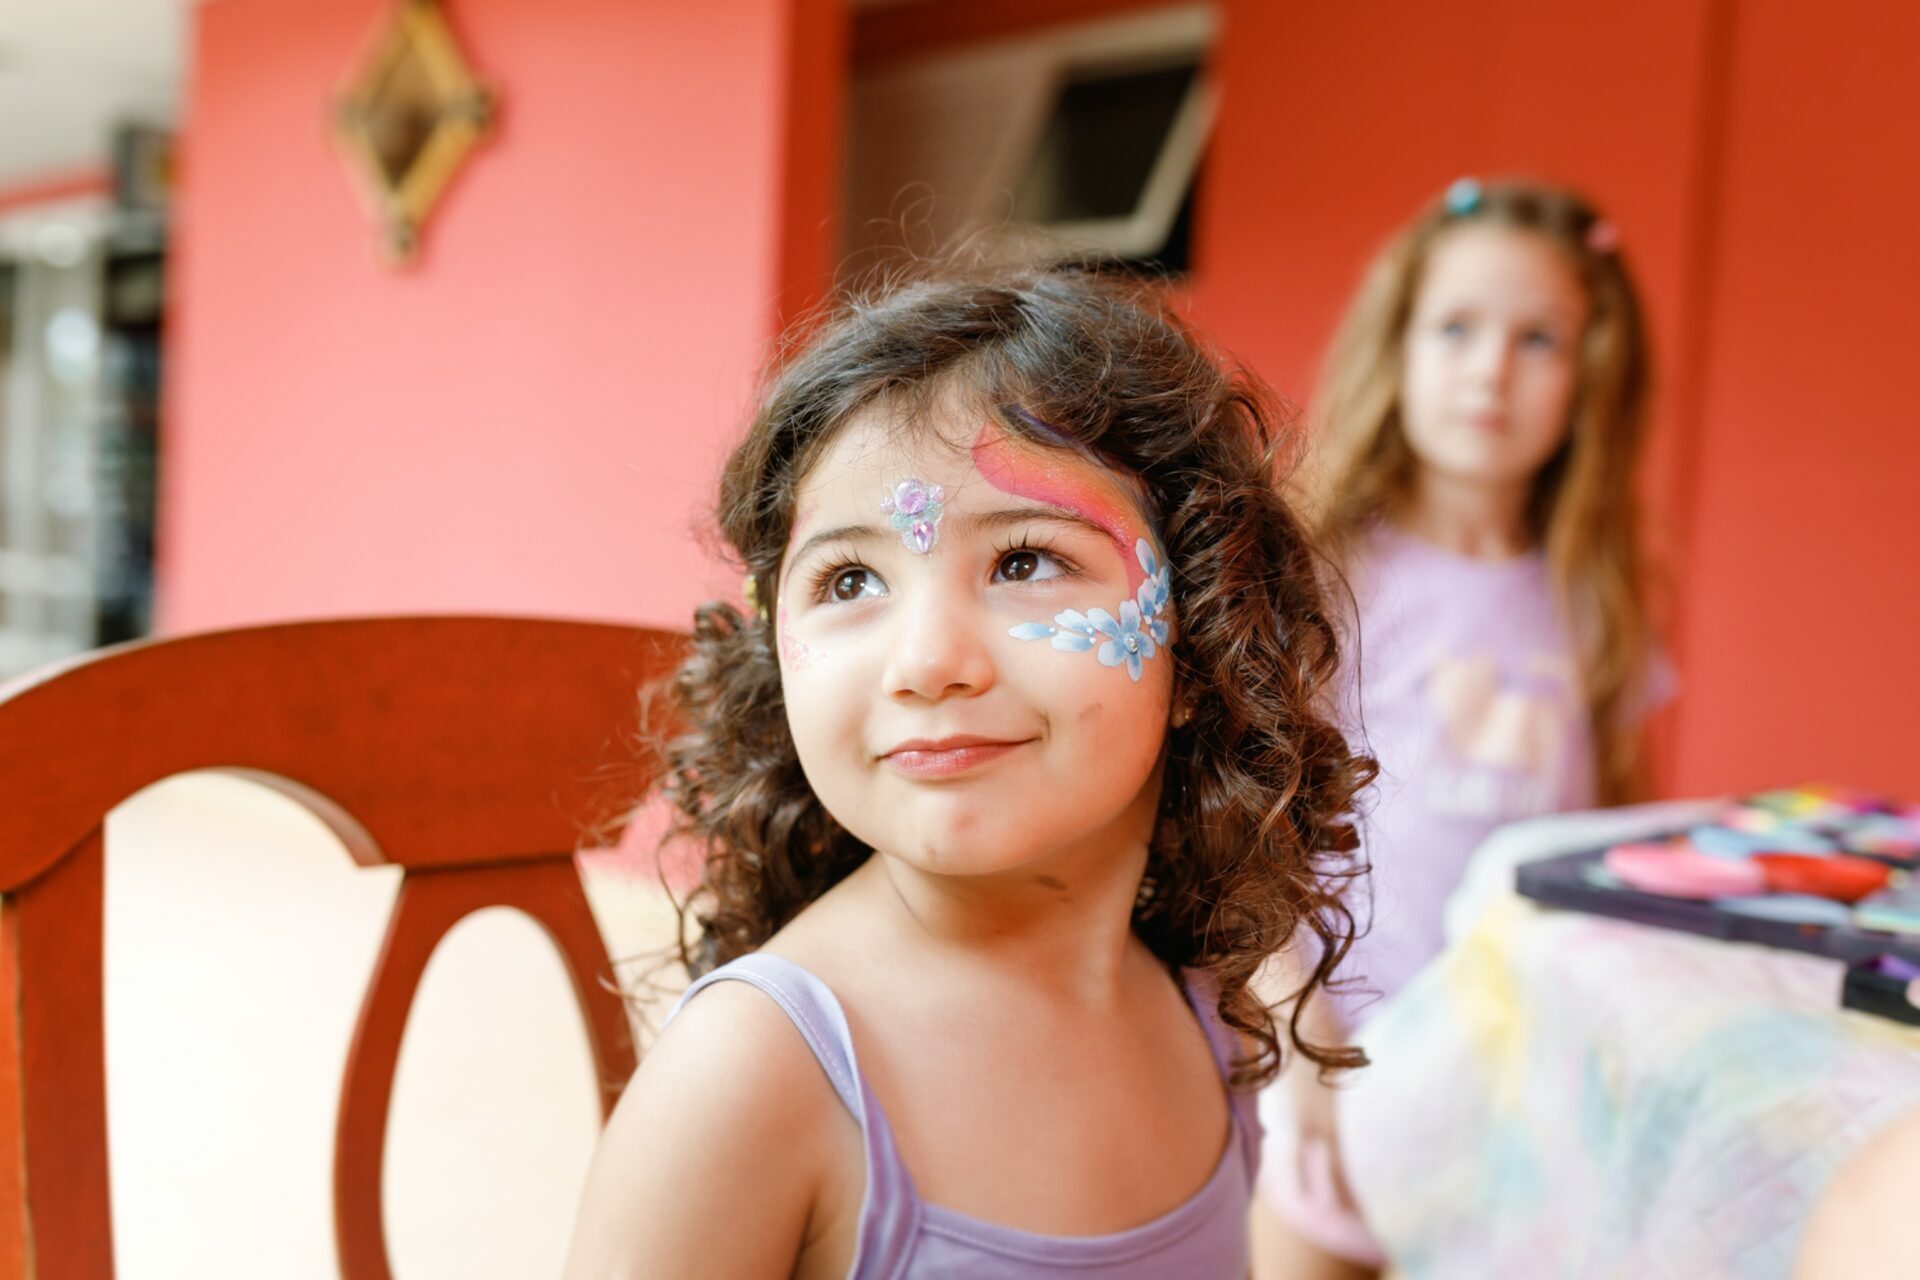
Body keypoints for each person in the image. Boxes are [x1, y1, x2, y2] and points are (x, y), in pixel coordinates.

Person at [564, 262, 1375, 1278]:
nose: (927, 661)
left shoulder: (1210, 1001)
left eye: (1024, 561)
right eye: (850, 579)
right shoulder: (750, 1078)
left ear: (1204, 635)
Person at [1252, 178, 1668, 1278]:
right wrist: (1300, 1045)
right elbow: (1244, 832)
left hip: (1510, 1093)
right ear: (1398, 346)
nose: (1492, 369)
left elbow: (1600, 843)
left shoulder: (1597, 600)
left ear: (1592, 373)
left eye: (1538, 338)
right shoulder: (1324, 578)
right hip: (1328, 1067)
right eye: (1457, 328)